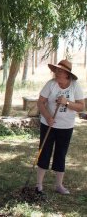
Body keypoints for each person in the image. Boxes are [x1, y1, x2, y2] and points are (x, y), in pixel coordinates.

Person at [35, 59, 84, 195]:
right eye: (56, 70)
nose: (56, 73)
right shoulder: (51, 84)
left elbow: (81, 106)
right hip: (48, 124)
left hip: (66, 127)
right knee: (44, 152)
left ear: (67, 74)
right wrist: (48, 117)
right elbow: (40, 102)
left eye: (60, 71)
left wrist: (66, 102)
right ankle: (39, 184)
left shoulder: (75, 86)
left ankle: (58, 185)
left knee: (61, 154)